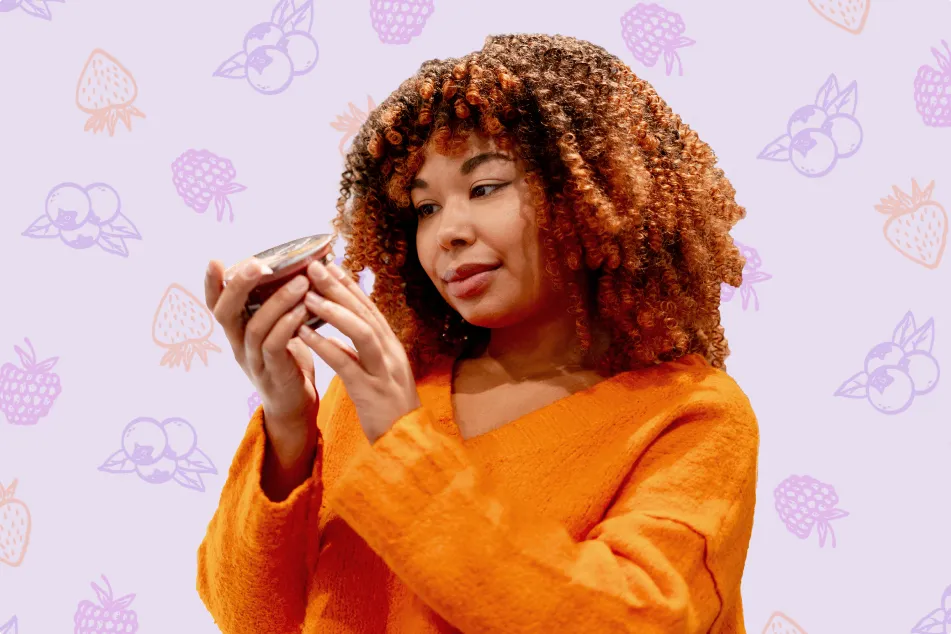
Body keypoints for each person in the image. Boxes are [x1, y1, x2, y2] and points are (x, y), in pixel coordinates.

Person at [197, 33, 759, 634]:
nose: (447, 233)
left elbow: (628, 619)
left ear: (593, 192)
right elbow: (252, 619)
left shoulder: (692, 417)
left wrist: (401, 444)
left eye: (485, 188)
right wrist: (289, 429)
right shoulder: (379, 394)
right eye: (425, 208)